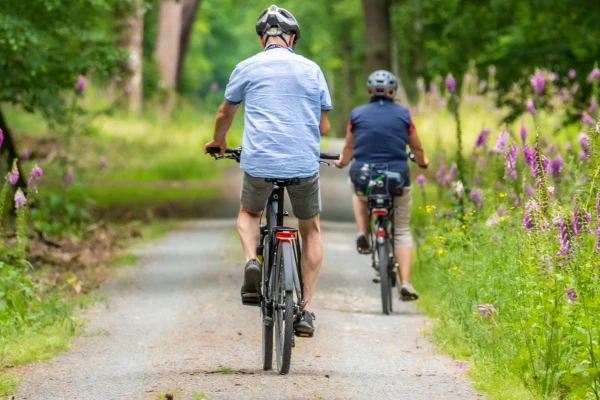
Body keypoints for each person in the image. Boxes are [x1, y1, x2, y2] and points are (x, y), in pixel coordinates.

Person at [204, 5, 332, 335]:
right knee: (311, 229)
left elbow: (224, 114)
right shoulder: (312, 69)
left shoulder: (246, 67)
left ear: (262, 38)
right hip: (303, 163)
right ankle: (305, 310)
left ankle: (252, 261)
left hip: (259, 161)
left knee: (249, 213)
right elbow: (324, 125)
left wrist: (219, 141)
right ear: (292, 38)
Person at [334, 70, 428, 301]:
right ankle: (405, 282)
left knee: (357, 193)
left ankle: (363, 231)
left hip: (364, 176)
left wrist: (343, 162)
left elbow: (349, 148)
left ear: (369, 91)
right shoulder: (404, 115)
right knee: (403, 231)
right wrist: (423, 162)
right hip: (396, 178)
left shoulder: (357, 114)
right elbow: (416, 147)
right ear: (392, 91)